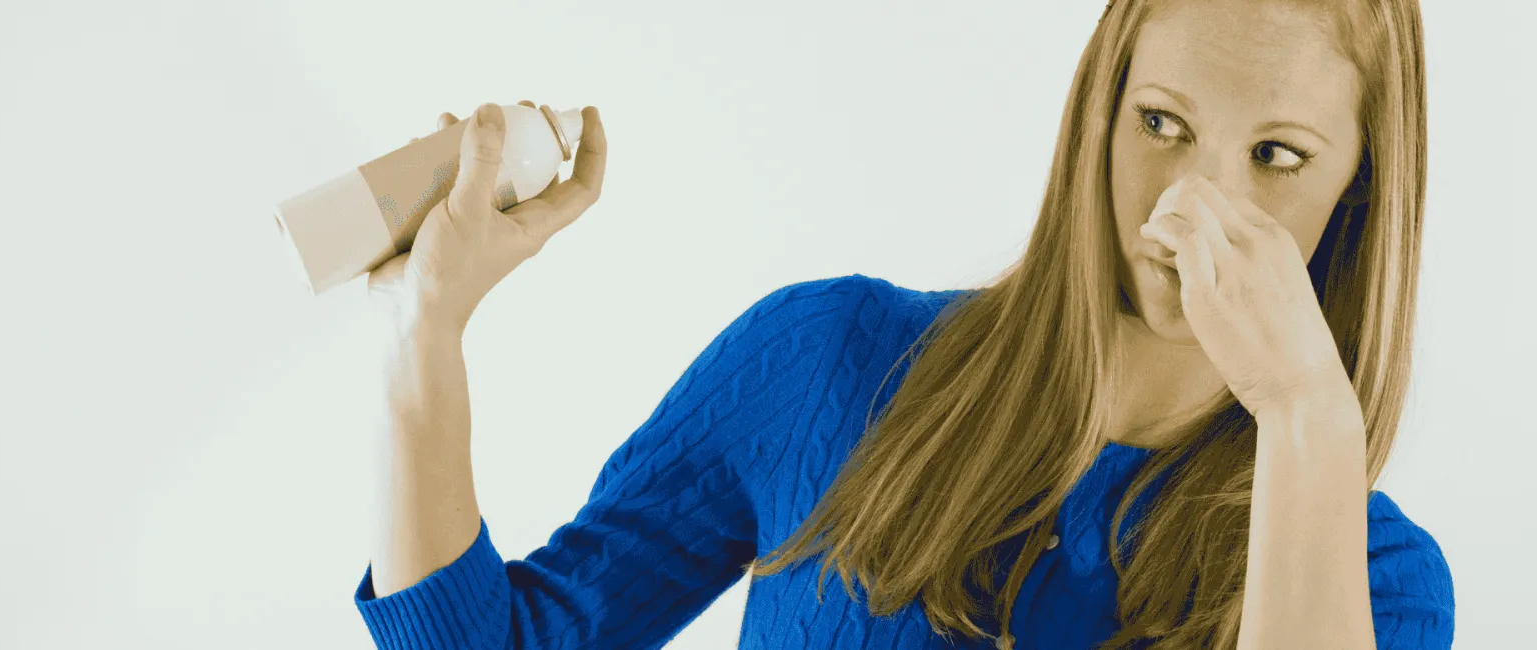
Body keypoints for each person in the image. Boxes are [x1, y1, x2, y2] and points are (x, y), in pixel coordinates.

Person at [351, 0, 1453, 647]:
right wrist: (423, 337)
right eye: (1160, 123)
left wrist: (1307, 413)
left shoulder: (1378, 577)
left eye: (1275, 158)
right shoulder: (825, 360)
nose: (1187, 208)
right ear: (1098, 116)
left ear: (1356, 190)